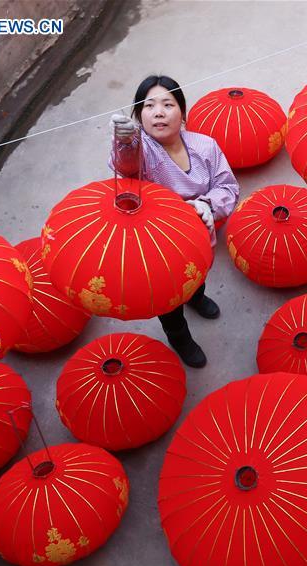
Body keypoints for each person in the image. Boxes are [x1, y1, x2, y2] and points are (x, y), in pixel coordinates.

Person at [110, 75, 239, 368]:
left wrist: (208, 204)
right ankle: (179, 336)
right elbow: (127, 167)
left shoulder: (205, 146)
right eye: (149, 105)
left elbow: (227, 186)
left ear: (182, 111)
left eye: (167, 104)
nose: (158, 111)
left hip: (197, 235)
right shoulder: (141, 150)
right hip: (156, 245)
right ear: (138, 115)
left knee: (197, 274)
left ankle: (196, 296)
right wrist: (126, 142)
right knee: (166, 298)